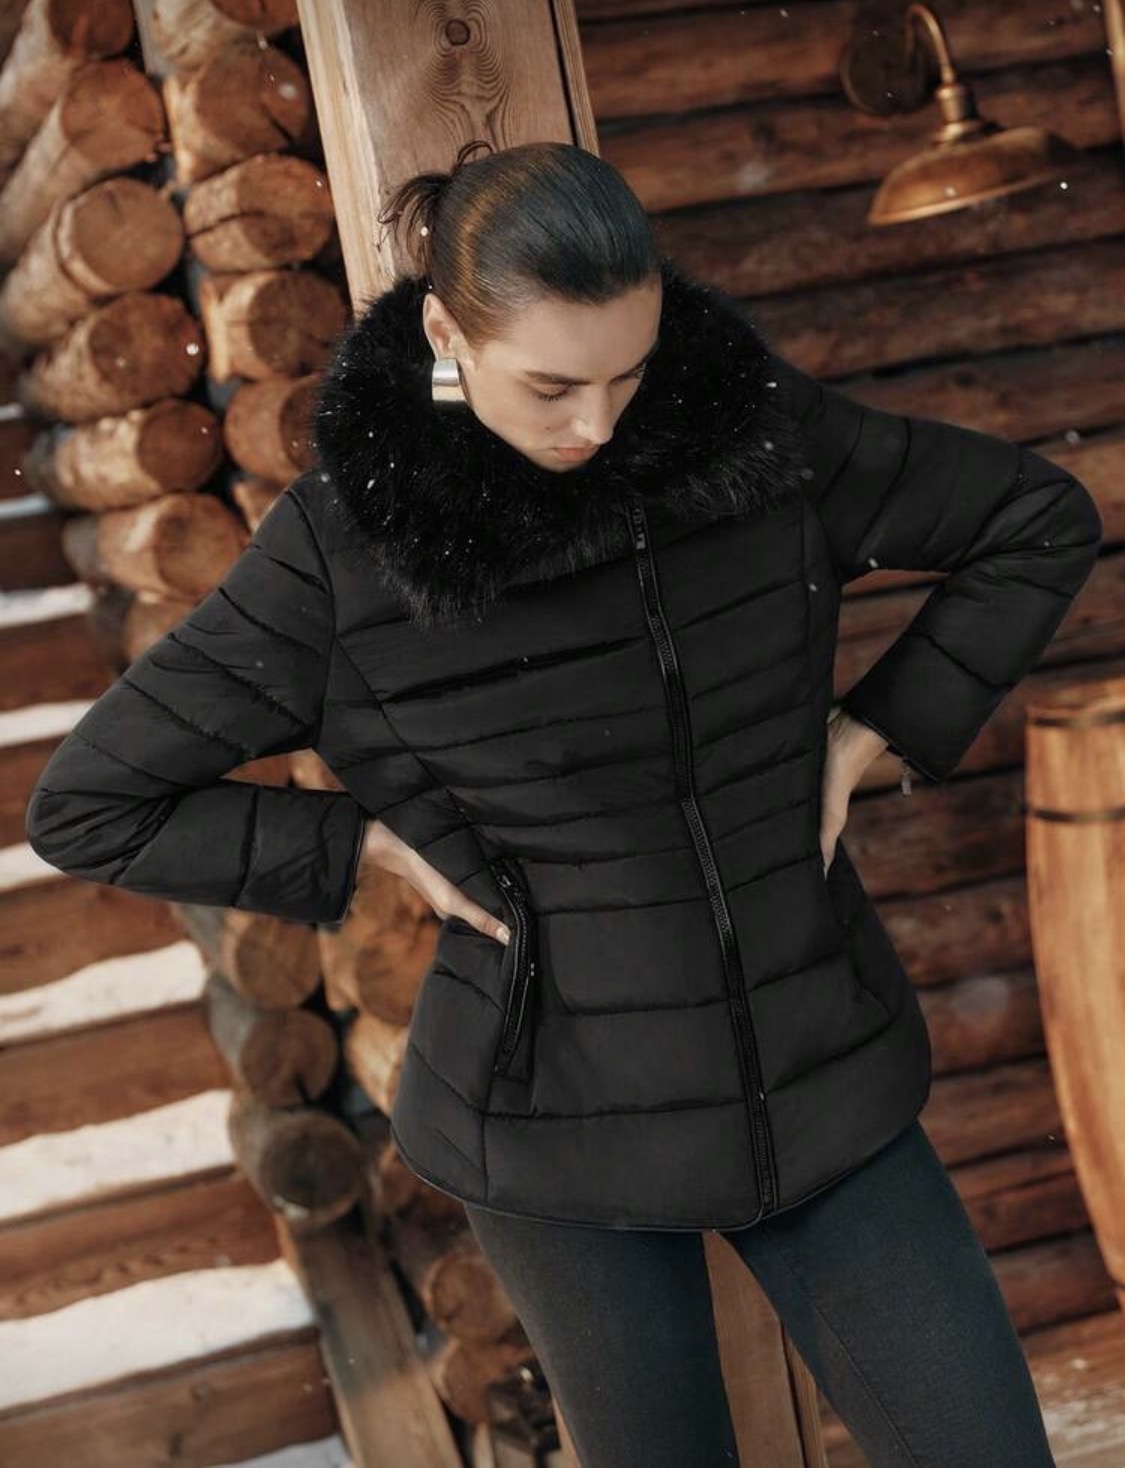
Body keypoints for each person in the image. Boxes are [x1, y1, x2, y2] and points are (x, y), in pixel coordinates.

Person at [25, 139, 1101, 1466]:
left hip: (816, 1057)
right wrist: (366, 845)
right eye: (550, 386)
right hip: (550, 1120)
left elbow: (1035, 521)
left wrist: (868, 734)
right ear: (444, 334)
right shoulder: (340, 553)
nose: (595, 424)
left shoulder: (754, 435)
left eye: (627, 374)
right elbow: (91, 804)